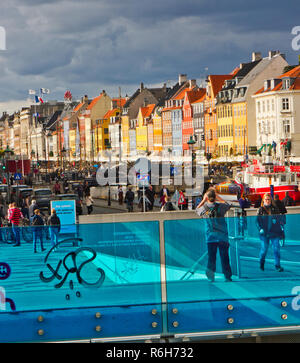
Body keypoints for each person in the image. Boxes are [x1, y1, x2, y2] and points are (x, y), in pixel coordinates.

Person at [196, 188, 233, 282]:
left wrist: (203, 200)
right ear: (215, 198)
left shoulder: (204, 208)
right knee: (224, 257)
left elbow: (197, 210)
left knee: (211, 258)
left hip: (210, 237)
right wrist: (219, 198)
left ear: (207, 198)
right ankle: (227, 276)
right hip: (223, 236)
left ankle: (210, 276)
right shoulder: (220, 207)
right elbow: (229, 204)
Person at [256, 193, 285, 272]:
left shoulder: (275, 209)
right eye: (266, 199)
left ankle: (277, 265)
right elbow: (257, 221)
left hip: (274, 232)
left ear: (271, 200)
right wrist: (260, 229)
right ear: (263, 200)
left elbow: (278, 220)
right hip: (264, 233)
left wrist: (281, 231)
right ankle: (261, 262)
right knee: (264, 249)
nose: (267, 201)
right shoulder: (261, 209)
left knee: (276, 249)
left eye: (269, 199)